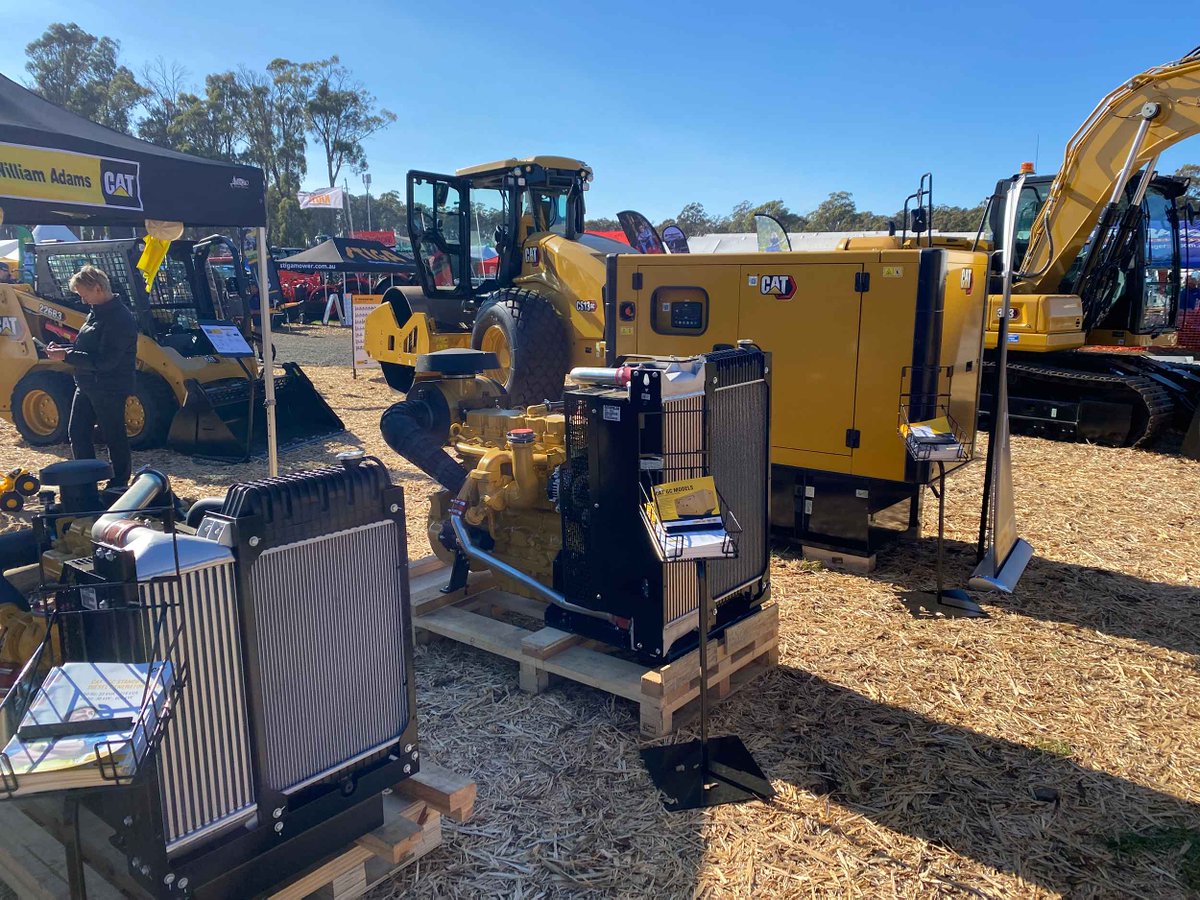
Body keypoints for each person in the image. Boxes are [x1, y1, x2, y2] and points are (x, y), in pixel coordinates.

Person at [45, 265, 138, 488]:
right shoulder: (97, 312)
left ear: (98, 288)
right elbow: (89, 347)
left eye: (84, 295)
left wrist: (66, 356)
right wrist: (65, 350)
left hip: (109, 386)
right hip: (87, 383)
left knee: (113, 434)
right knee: (77, 432)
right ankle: (85, 478)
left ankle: (119, 482)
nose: (83, 300)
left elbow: (105, 361)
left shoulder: (120, 319)